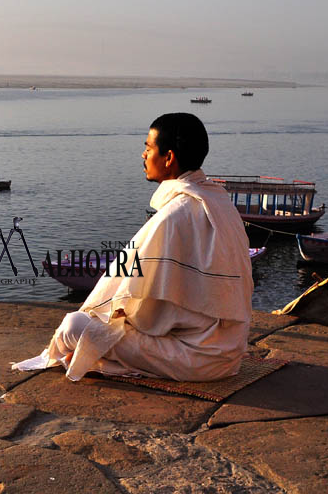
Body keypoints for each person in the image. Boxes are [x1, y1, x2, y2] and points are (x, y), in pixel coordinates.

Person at [14, 113, 253, 382]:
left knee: (74, 326)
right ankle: (103, 358)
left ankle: (98, 358)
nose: (143, 155)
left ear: (169, 157)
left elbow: (146, 319)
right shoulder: (220, 202)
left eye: (149, 148)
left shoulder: (174, 216)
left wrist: (113, 317)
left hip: (195, 359)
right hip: (228, 354)